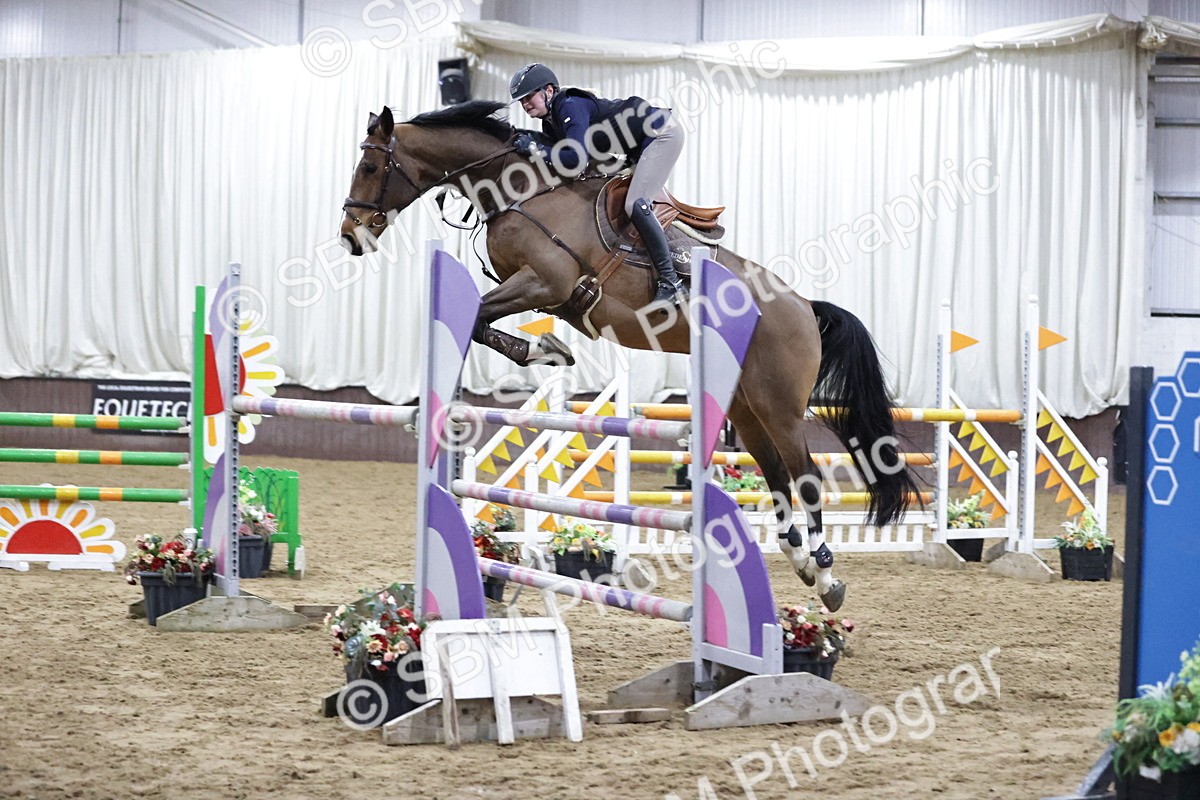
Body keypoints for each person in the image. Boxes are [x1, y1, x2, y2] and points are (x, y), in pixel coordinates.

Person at [508, 63, 687, 306]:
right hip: (634, 148)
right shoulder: (551, 122)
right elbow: (557, 152)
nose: (525, 104)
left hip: (660, 134)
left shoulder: (569, 104)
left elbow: (575, 159)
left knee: (635, 203)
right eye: (521, 101)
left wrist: (532, 147)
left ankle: (671, 282)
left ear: (548, 91)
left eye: (529, 97)